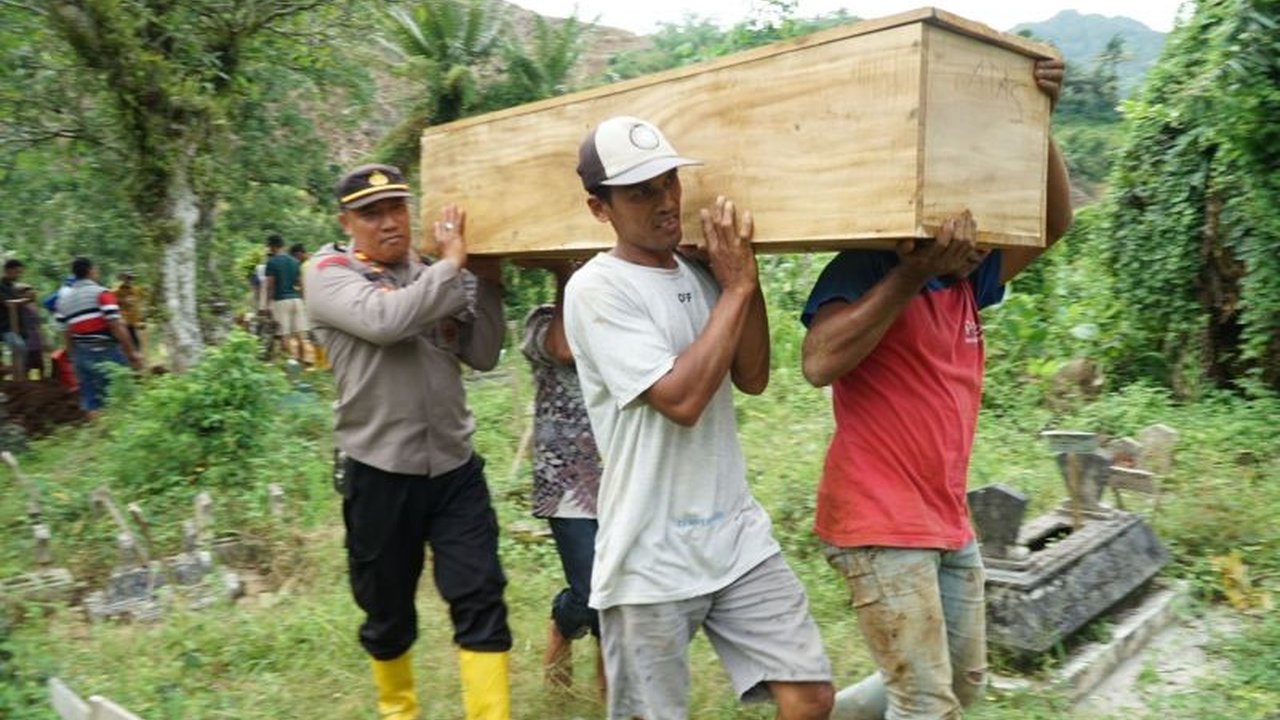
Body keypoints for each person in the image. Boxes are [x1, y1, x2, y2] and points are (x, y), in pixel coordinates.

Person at [798, 59, 1075, 720]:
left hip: (946, 519)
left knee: (962, 683)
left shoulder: (969, 279)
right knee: (928, 704)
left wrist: (1038, 121)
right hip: (877, 517)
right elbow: (817, 362)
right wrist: (912, 275)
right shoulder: (867, 266)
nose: (979, 237)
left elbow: (1055, 224)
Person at [563, 116, 834, 720]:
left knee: (810, 695)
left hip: (733, 536)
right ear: (599, 209)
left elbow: (753, 376)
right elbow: (681, 401)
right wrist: (735, 291)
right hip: (648, 556)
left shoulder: (699, 274)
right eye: (640, 193)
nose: (665, 203)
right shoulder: (596, 288)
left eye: (669, 184)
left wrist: (744, 279)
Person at [304, 163, 512, 720]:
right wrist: (453, 267)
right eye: (371, 213)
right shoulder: (328, 273)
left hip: (454, 468)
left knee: (480, 596)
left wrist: (487, 282)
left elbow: (484, 353)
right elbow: (386, 321)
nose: (389, 222)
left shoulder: (435, 270)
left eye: (397, 207)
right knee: (387, 612)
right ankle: (400, 711)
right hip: (378, 472)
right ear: (345, 219)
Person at [518, 260, 604, 694]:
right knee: (592, 591)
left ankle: (616, 699)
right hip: (568, 484)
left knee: (621, 593)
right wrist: (565, 271)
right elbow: (566, 349)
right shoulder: (541, 322)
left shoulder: (616, 316)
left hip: (622, 475)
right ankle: (562, 621)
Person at [54, 257, 142, 414]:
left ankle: (98, 434)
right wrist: (132, 353)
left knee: (91, 402)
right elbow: (116, 325)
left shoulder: (62, 301)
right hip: (105, 352)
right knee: (123, 396)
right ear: (90, 271)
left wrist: (74, 359)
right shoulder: (102, 293)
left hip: (81, 354)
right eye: (95, 269)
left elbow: (65, 333)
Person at [264, 234, 305, 362]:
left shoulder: (271, 262)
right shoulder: (294, 261)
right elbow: (300, 284)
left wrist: (266, 305)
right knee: (300, 334)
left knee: (284, 335)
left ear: (272, 247)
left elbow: (270, 286)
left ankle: (289, 365)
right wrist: (303, 299)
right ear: (283, 245)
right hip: (296, 300)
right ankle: (303, 363)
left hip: (281, 301)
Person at [0, 259, 28, 376]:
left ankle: (18, 378)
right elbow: (7, 303)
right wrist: (24, 300)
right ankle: (13, 374)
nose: (19, 275)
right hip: (4, 326)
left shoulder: (12, 286)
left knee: (20, 349)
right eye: (17, 272)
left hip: (14, 326)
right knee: (19, 346)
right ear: (8, 270)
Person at [114, 270, 144, 356]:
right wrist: (122, 301)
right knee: (123, 344)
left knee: (135, 344)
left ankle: (137, 360)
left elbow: (139, 304)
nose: (129, 280)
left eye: (131, 278)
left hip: (133, 322)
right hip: (121, 322)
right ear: (121, 279)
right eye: (127, 278)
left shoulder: (136, 291)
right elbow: (112, 303)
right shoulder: (115, 292)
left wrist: (141, 320)